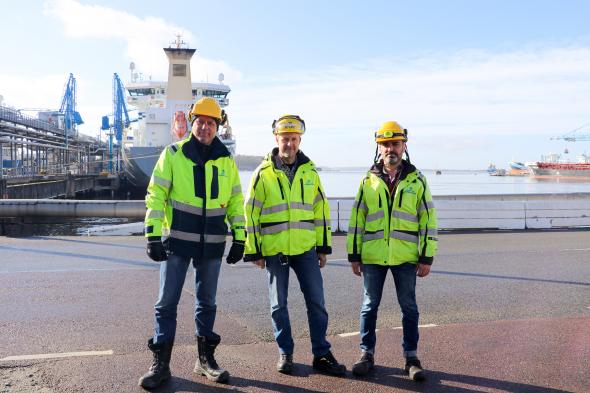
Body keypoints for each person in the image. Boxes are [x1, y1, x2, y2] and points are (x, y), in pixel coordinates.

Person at [139, 97, 245, 389]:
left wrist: (240, 236)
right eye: (201, 122)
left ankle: (205, 361)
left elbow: (236, 200)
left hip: (212, 244)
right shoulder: (172, 154)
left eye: (212, 123)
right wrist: (152, 235)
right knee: (166, 303)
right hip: (176, 242)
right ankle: (161, 365)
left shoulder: (227, 161)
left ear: (218, 126)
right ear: (192, 122)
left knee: (207, 303)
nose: (206, 127)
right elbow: (156, 195)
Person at [244, 114, 346, 376]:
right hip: (275, 249)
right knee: (278, 305)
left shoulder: (310, 172)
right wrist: (253, 249)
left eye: (293, 139)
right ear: (276, 139)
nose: (288, 143)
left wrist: (323, 247)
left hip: (305, 249)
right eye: (284, 139)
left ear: (299, 140)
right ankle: (285, 352)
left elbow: (321, 211)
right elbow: (251, 213)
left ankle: (321, 354)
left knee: (317, 302)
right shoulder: (262, 174)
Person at [347, 121, 437, 381]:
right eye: (385, 144)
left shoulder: (417, 180)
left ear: (404, 146)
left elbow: (428, 220)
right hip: (373, 256)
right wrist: (354, 254)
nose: (390, 149)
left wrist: (426, 256)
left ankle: (411, 358)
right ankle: (366, 355)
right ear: (379, 147)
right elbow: (357, 219)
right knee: (368, 306)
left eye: (395, 143)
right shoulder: (368, 181)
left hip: (406, 257)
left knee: (409, 307)